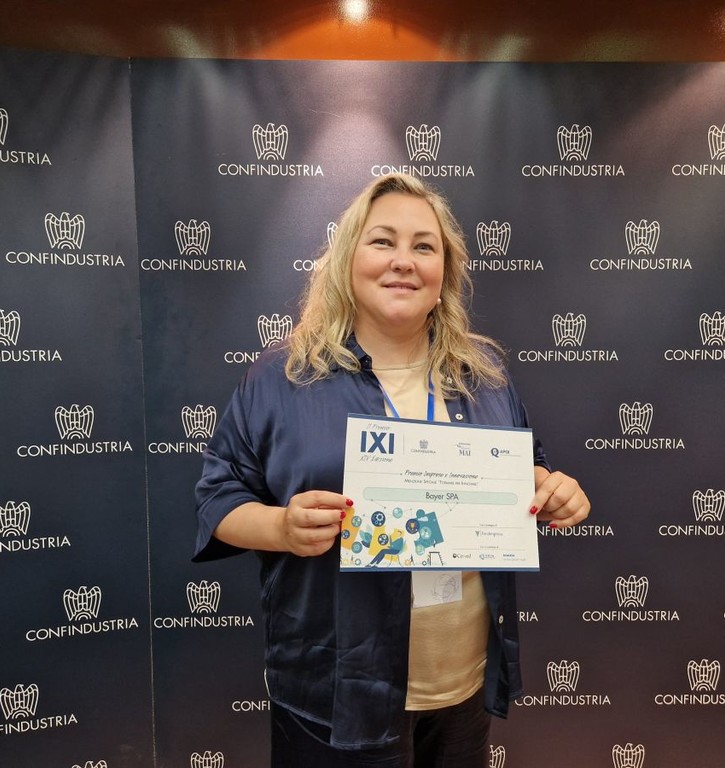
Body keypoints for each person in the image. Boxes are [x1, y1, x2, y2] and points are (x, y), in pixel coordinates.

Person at [194, 173, 590, 767]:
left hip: (461, 686)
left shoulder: (483, 375)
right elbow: (218, 497)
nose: (403, 260)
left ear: (443, 274)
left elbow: (524, 469)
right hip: (336, 694)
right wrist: (280, 528)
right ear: (347, 261)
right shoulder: (282, 378)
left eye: (424, 246)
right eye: (383, 241)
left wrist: (552, 491)